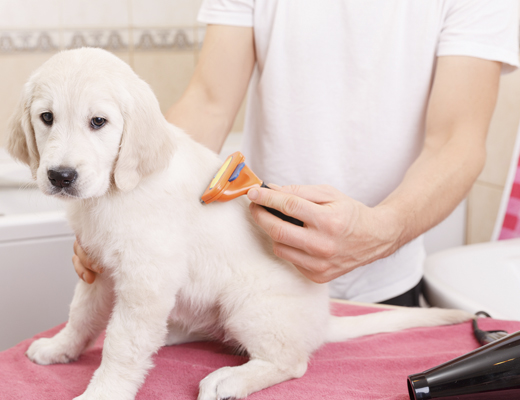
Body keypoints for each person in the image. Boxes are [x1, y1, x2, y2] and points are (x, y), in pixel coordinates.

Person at [72, 0, 519, 307]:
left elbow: (457, 141)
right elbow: (209, 101)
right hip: (255, 272)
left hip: (385, 280)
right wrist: (129, 204)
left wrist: (381, 232)